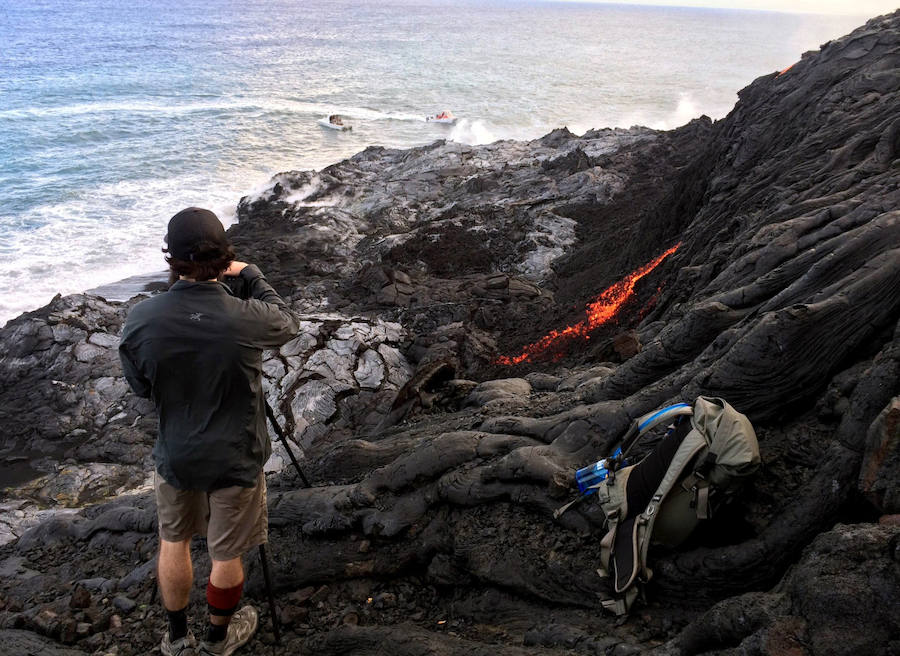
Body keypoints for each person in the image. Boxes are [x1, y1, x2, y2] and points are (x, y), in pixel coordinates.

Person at [119, 207, 301, 656]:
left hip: (176, 454)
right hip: (235, 455)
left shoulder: (142, 320)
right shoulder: (245, 316)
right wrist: (253, 276)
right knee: (226, 553)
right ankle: (219, 638)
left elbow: (141, 385)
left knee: (174, 540)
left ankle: (177, 638)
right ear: (225, 259)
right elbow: (287, 322)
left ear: (171, 259)